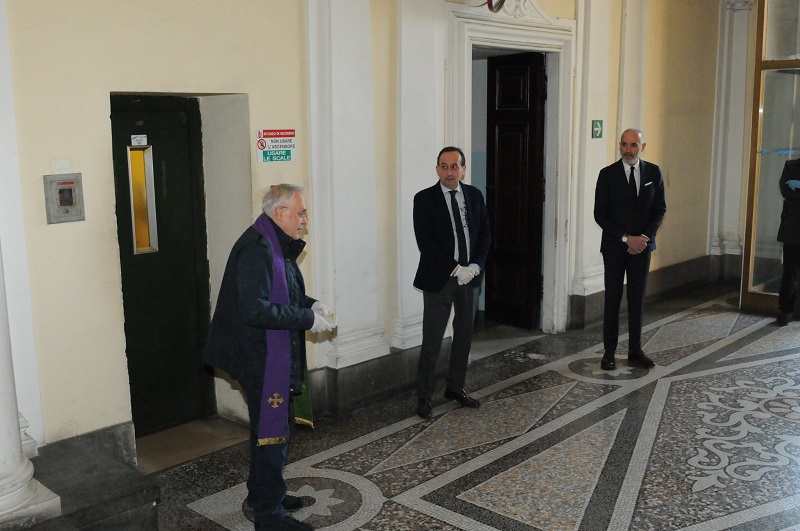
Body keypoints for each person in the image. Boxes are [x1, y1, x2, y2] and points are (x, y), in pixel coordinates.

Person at [204, 184, 334, 531]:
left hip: (265, 354)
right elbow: (256, 309)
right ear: (280, 213)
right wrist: (306, 319)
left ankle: (263, 493)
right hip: (258, 358)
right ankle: (269, 516)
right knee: (273, 435)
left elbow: (284, 292)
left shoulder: (273, 242)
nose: (304, 221)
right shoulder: (257, 248)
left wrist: (311, 305)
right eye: (300, 213)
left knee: (270, 431)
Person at [413, 146, 491, 419]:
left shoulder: (474, 195)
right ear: (437, 169)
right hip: (440, 279)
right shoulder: (424, 199)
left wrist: (475, 266)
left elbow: (485, 235)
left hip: (470, 278)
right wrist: (455, 268)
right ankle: (424, 395)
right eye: (444, 166)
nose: (449, 172)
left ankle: (455, 387)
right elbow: (426, 242)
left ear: (463, 169)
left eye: (454, 166)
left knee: (464, 336)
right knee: (433, 339)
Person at [594, 129, 666, 370]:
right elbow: (600, 214)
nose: (628, 149)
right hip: (615, 247)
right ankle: (609, 352)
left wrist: (643, 238)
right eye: (624, 144)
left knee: (637, 300)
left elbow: (660, 209)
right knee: (612, 300)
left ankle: (635, 350)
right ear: (620, 146)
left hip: (642, 248)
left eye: (633, 145)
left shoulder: (654, 172)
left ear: (642, 147)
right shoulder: (607, 174)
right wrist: (626, 239)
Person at [777, 158, 800, 326]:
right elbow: (786, 191)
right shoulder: (791, 165)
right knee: (790, 271)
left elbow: (793, 193)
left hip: (793, 223)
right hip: (793, 226)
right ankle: (786, 310)